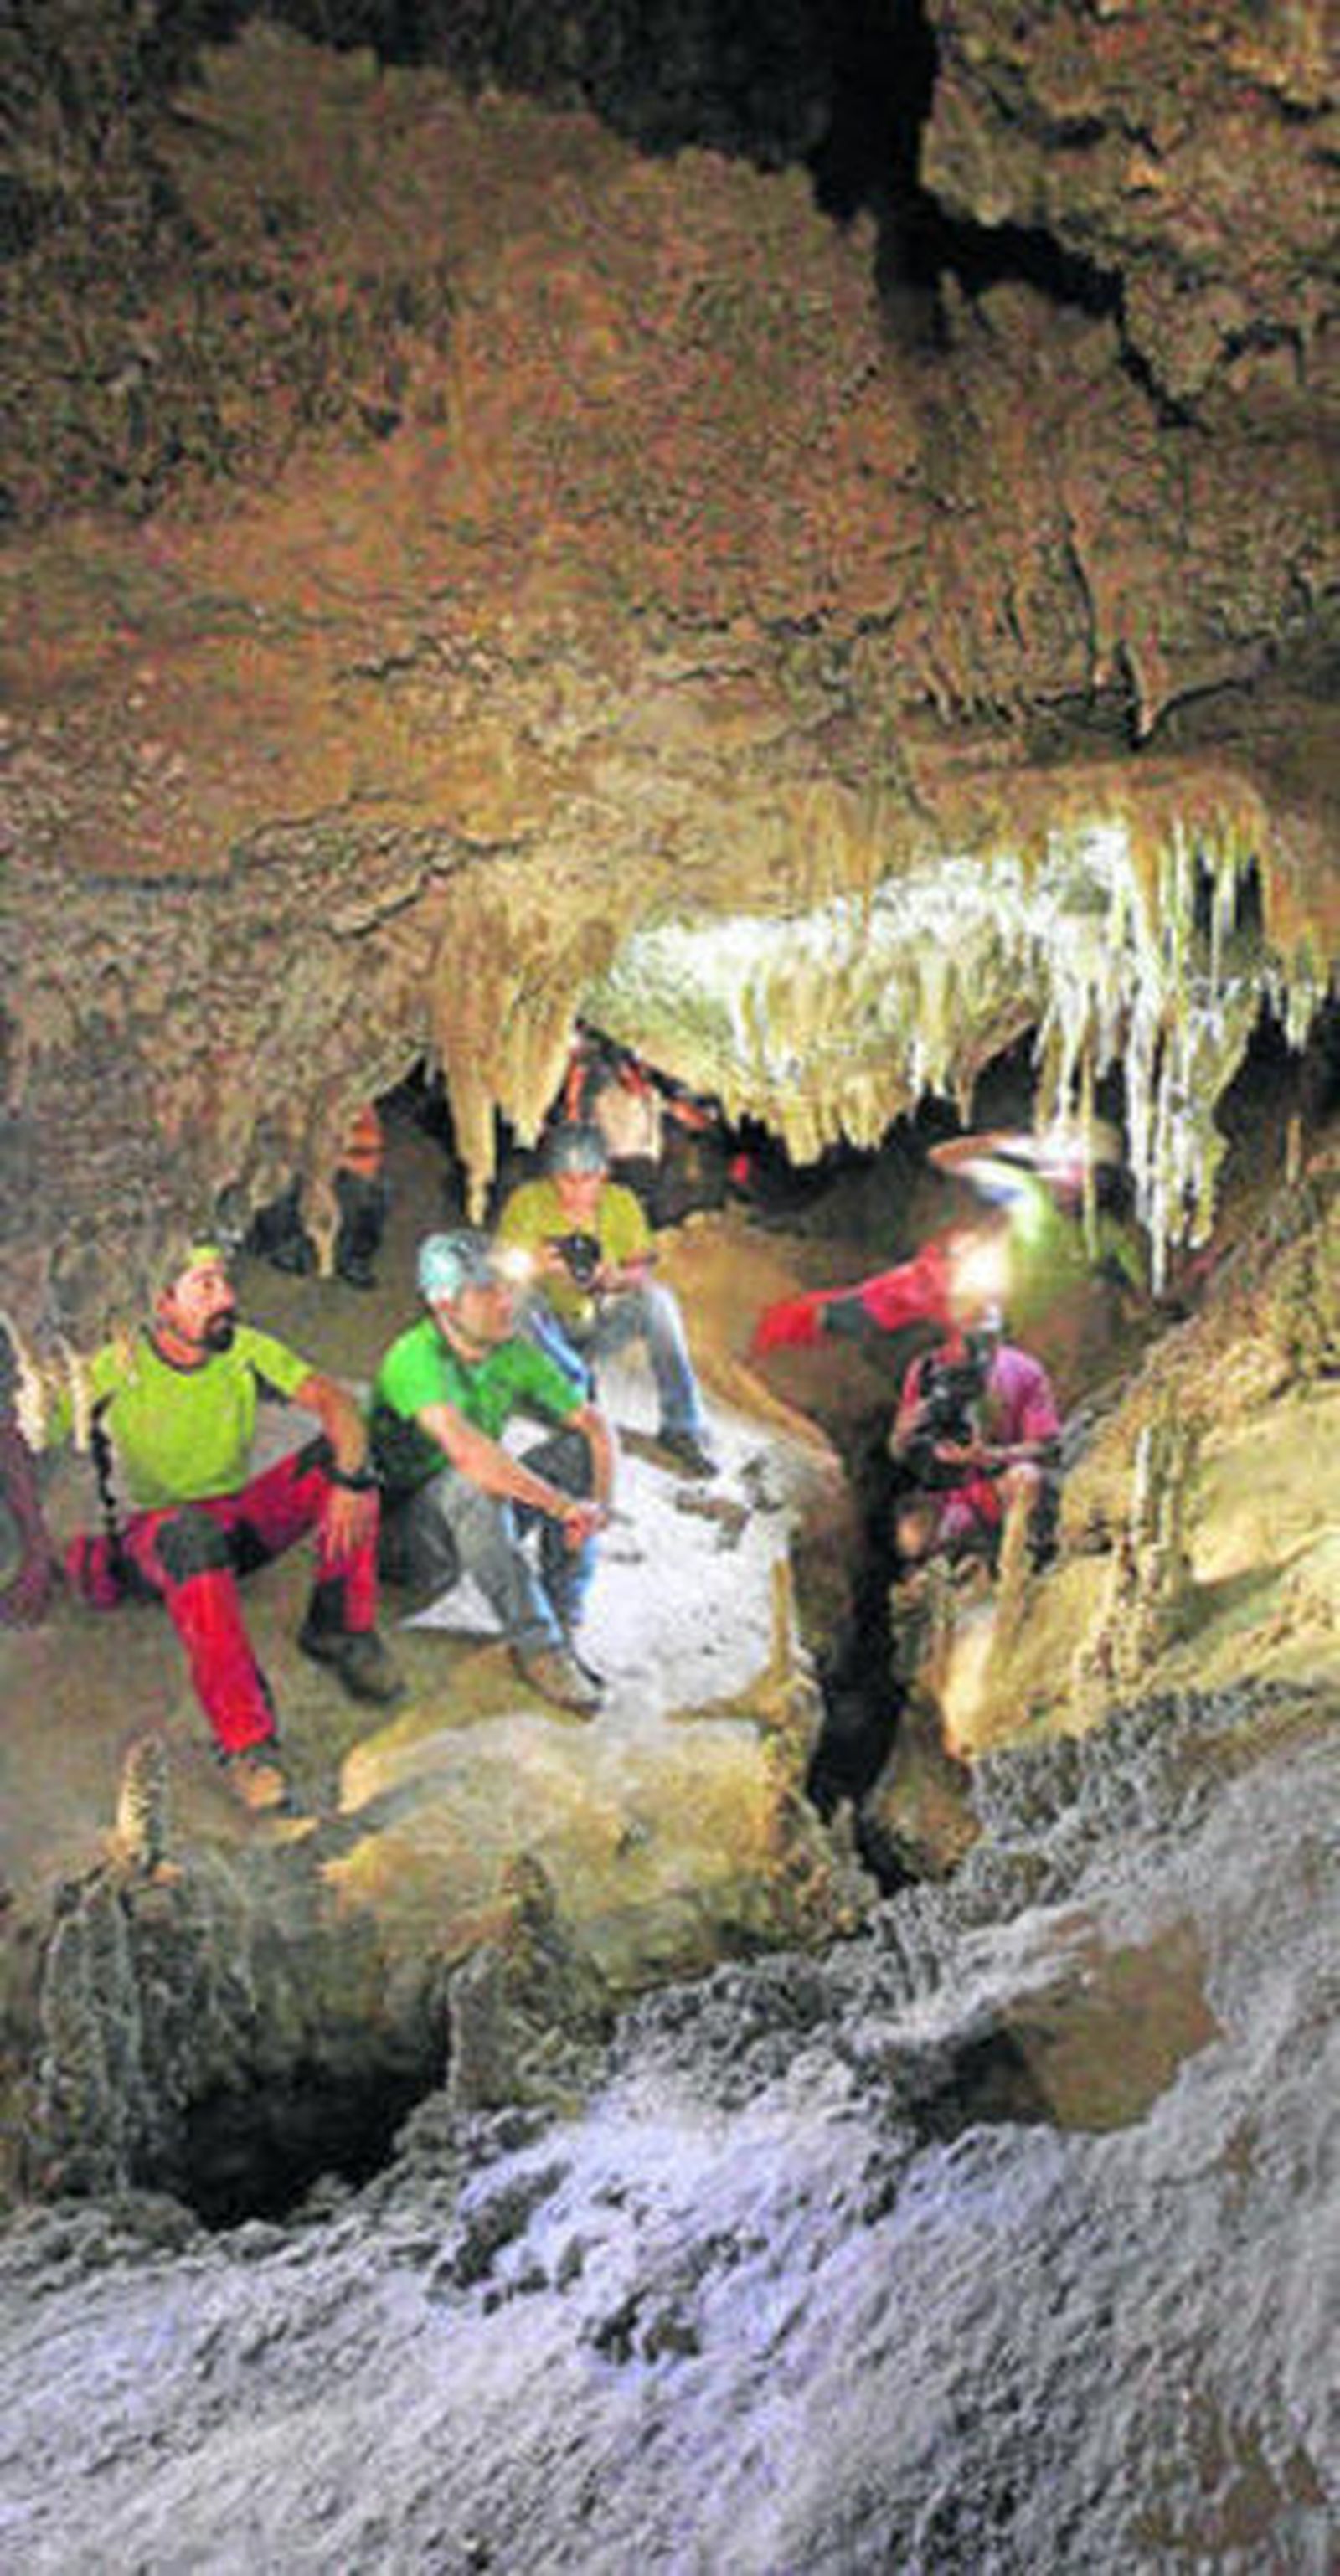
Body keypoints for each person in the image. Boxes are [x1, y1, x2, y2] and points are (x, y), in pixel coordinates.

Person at [23, 1243, 403, 1811]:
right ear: (161, 1303)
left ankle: (339, 1628)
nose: (227, 1297)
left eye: (225, 1281)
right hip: (151, 1541)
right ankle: (248, 1743)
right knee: (185, 1535)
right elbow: (28, 1429)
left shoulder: (244, 1348)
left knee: (351, 1458)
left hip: (231, 1523)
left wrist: (351, 1481)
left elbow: (334, 1402)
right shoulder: (115, 1362)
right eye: (205, 1286)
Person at [369, 1229, 616, 1715]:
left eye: (508, 1287)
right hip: (406, 1546)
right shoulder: (412, 1358)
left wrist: (598, 1508)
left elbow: (596, 1427)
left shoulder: (511, 1351)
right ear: (444, 1304)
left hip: (474, 1524)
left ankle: (561, 1616)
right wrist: (562, 1506)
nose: (507, 1302)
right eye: (487, 1291)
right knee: (473, 1485)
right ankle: (539, 1647)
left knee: (576, 1452)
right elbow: (470, 1455)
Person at [497, 1122, 719, 1477]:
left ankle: (683, 1426)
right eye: (566, 1179)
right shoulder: (528, 1202)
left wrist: (615, 1277)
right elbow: (499, 1270)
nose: (576, 1190)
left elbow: (642, 1269)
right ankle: (574, 1393)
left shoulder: (621, 1204)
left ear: (603, 1174)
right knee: (514, 1300)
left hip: (597, 1321)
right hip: (544, 1331)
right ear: (552, 1175)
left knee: (658, 1301)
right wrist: (536, 1265)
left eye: (587, 1179)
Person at [889, 1318, 1063, 1572]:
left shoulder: (1022, 1370)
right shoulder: (924, 1371)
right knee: (911, 1537)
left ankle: (1016, 1568)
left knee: (1026, 1478)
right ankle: (943, 1570)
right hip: (948, 1493)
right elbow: (898, 1452)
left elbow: (1048, 1447)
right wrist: (904, 1431)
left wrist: (987, 1455)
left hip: (999, 1483)